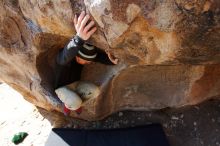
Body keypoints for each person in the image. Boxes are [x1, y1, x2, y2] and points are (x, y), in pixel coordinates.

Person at [55, 11, 118, 116]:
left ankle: (75, 104)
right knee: (75, 102)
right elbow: (65, 55)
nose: (88, 63)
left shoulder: (84, 60)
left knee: (95, 91)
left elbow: (97, 57)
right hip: (62, 88)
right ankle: (70, 105)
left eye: (89, 61)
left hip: (76, 85)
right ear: (77, 55)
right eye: (86, 60)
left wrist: (111, 61)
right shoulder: (64, 60)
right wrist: (78, 39)